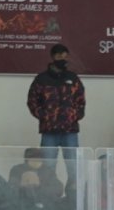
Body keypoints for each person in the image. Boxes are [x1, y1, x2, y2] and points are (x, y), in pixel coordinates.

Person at [27, 43, 86, 180]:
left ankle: (73, 196)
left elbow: (81, 100)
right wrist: (43, 116)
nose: (63, 58)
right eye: (59, 55)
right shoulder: (41, 79)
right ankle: (50, 198)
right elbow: (32, 101)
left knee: (74, 168)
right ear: (53, 57)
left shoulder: (73, 78)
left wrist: (75, 116)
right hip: (49, 131)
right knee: (47, 168)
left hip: (70, 130)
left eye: (65, 56)